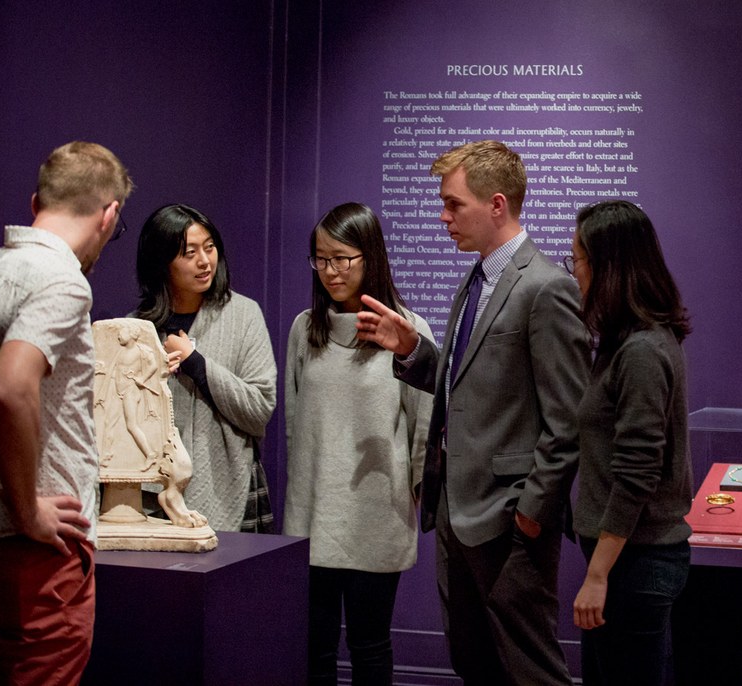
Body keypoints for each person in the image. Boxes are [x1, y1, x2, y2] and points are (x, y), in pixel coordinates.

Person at [356, 140, 590, 685]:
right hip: (457, 518)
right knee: (475, 663)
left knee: (530, 670)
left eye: (454, 204)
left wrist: (531, 511)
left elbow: (568, 420)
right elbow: (469, 385)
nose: (443, 216)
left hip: (509, 524)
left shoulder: (547, 287)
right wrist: (412, 350)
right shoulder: (477, 278)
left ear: (497, 205)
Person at [0, 141, 133, 684]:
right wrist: (28, 511)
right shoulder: (63, 280)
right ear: (109, 213)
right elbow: (8, 384)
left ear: (35, 203)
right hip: (39, 557)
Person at [283, 202, 433, 685]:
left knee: (370, 645)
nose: (331, 271)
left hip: (376, 512)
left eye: (342, 258)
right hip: (312, 512)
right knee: (314, 646)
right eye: (321, 259)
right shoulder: (306, 329)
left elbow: (424, 422)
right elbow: (294, 421)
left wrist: (417, 487)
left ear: (369, 257)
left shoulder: (406, 330)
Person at [567, 200, 693, 686]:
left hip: (635, 565)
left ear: (607, 267)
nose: (574, 271)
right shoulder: (631, 341)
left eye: (577, 258)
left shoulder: (641, 350)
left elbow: (637, 473)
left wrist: (597, 575)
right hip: (628, 562)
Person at [134, 204, 276, 533]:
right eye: (189, 253)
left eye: (209, 248)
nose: (204, 261)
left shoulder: (243, 314)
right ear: (161, 262)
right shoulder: (136, 328)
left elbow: (259, 408)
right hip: (152, 496)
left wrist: (196, 363)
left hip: (233, 485)